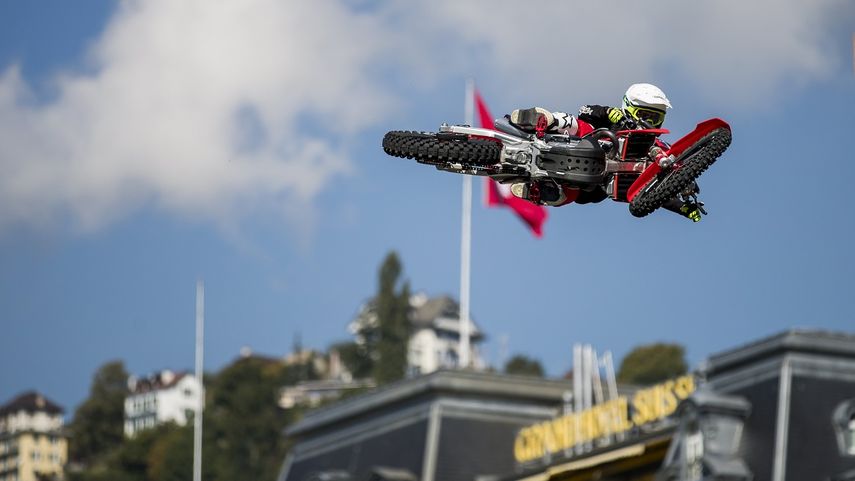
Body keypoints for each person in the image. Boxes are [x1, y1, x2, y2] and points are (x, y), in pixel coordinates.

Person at [508, 83, 703, 222]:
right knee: (580, 125)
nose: (649, 123)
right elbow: (584, 110)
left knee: (572, 195)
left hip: (594, 183)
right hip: (582, 144)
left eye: (655, 118)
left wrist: (682, 206)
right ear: (630, 108)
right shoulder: (615, 119)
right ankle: (544, 119)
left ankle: (540, 192)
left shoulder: (657, 145)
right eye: (645, 116)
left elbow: (659, 188)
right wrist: (608, 112)